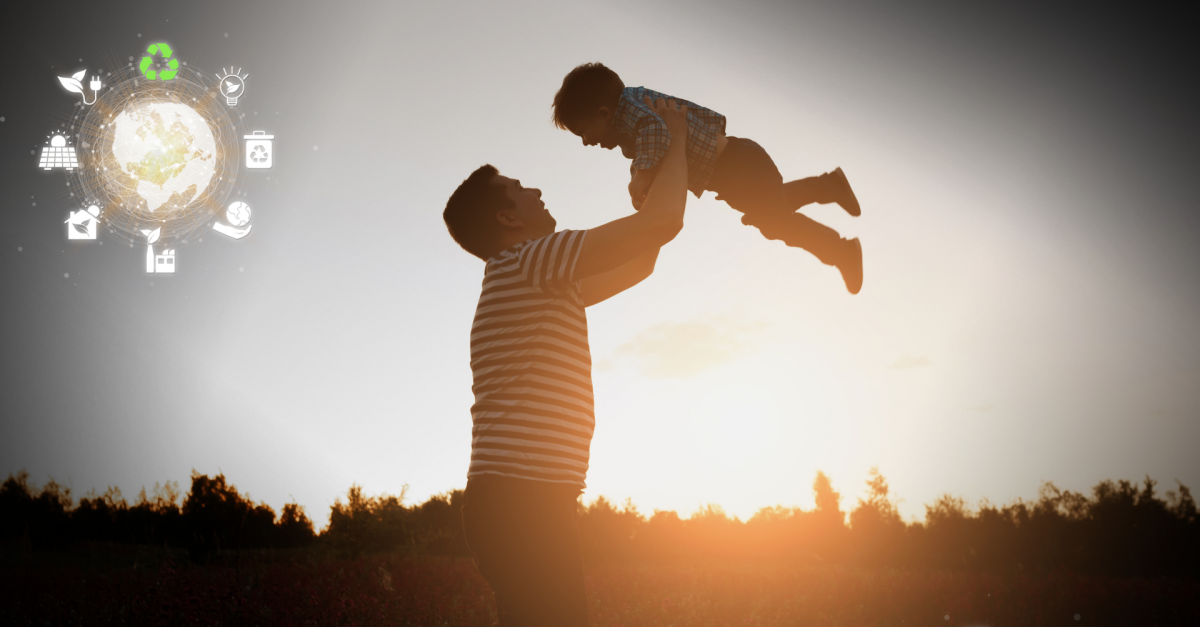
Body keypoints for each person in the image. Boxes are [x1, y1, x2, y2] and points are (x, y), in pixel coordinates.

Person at [442, 97, 691, 626]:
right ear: (508, 217)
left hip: (531, 501)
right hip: (519, 501)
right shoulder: (528, 261)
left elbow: (643, 256)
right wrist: (677, 137)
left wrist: (658, 176)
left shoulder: (544, 279)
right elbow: (663, 223)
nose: (534, 188)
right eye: (518, 188)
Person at [552, 62, 865, 294]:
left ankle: (841, 249)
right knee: (770, 213)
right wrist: (640, 176)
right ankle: (829, 187)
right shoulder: (632, 116)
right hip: (734, 170)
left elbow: (656, 132)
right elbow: (652, 143)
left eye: (583, 132)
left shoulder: (633, 112)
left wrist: (640, 178)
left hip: (739, 165)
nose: (586, 141)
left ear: (604, 113)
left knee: (773, 221)